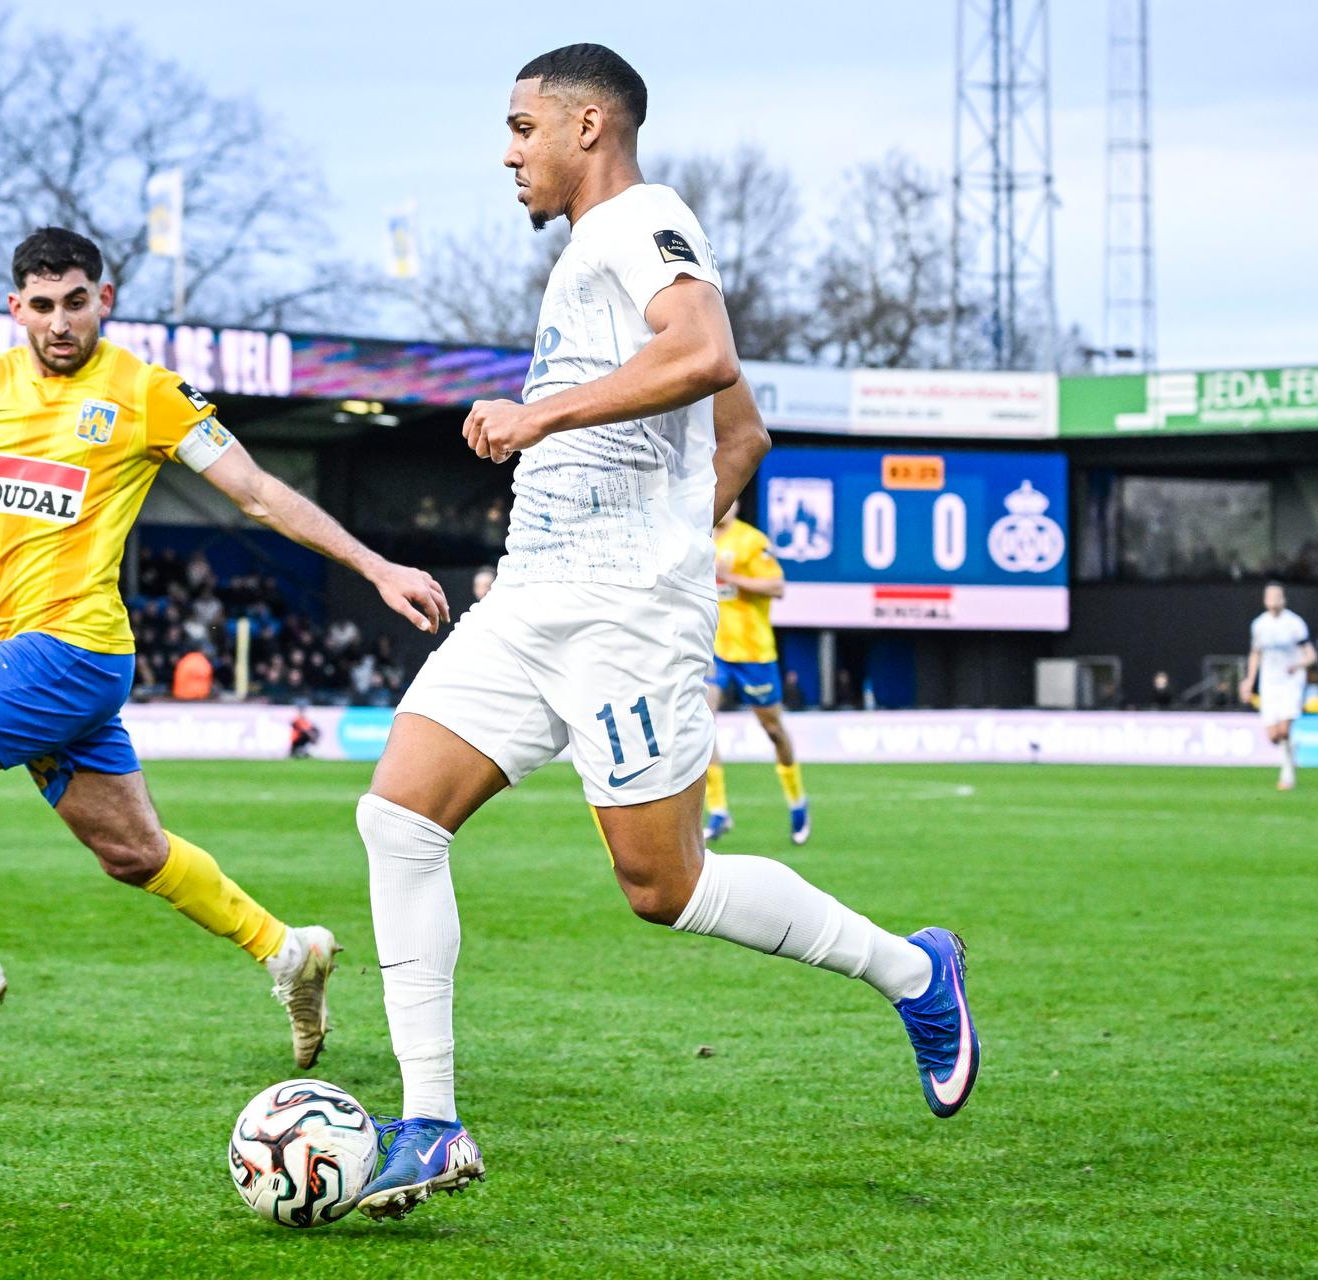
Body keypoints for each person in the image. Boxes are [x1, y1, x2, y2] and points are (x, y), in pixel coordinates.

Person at [351, 45, 980, 1220]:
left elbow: (704, 355)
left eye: (521, 126)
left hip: (621, 618)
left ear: (588, 125)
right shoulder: (595, 258)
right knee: (395, 815)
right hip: (533, 596)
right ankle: (430, 1122)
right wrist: (673, 513)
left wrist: (555, 432)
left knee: (664, 886)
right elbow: (740, 429)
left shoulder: (643, 217)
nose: (508, 151)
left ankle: (914, 968)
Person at [0, 226, 449, 1062]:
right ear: (14, 308)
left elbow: (254, 491)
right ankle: (288, 950)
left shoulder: (145, 393)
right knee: (133, 854)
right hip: (36, 653)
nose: (59, 322)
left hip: (73, 647)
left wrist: (373, 563)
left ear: (104, 299)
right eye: (41, 306)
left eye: (75, 303)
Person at [699, 500, 808, 846]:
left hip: (753, 654)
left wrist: (732, 578)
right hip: (713, 651)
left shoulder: (752, 541)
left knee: (773, 729)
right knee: (701, 723)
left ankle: (797, 801)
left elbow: (778, 587)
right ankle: (718, 811)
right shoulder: (697, 538)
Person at [1239, 582, 1314, 790]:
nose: (1272, 600)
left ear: (1283, 599)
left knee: (1283, 729)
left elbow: (1311, 655)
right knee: (1273, 736)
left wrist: (1297, 665)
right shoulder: (1259, 625)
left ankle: (1287, 774)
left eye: (1276, 596)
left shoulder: (1295, 623)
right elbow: (1255, 654)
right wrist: (1249, 681)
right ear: (1264, 600)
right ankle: (1292, 748)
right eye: (1269, 596)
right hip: (1269, 683)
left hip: (1291, 682)